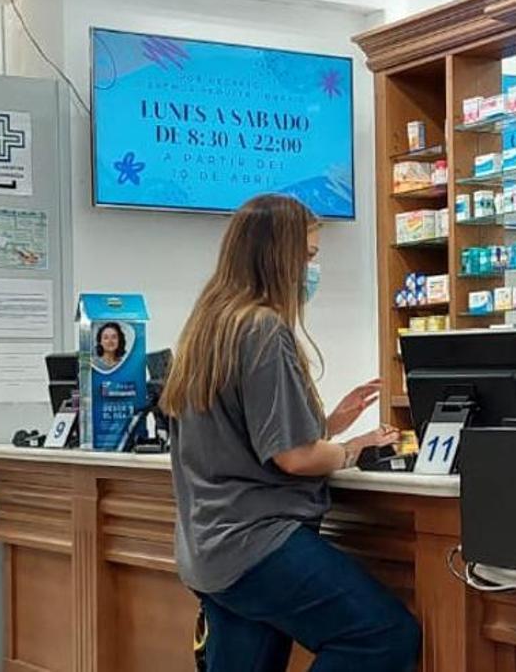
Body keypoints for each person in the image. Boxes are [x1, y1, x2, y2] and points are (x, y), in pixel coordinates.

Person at [160, 194, 420, 672]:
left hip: (208, 548)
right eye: (310, 256)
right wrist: (351, 449)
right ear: (280, 256)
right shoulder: (262, 328)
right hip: (257, 542)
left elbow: (243, 434)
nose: (312, 269)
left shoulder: (208, 327)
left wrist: (330, 423)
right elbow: (294, 459)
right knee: (383, 636)